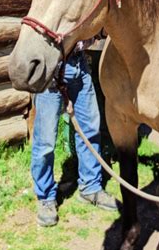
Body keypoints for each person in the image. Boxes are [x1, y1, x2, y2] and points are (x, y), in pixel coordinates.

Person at [32, 43, 117, 227]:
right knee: (45, 140)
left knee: (90, 129)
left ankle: (90, 187)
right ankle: (45, 197)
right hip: (51, 67)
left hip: (80, 65)